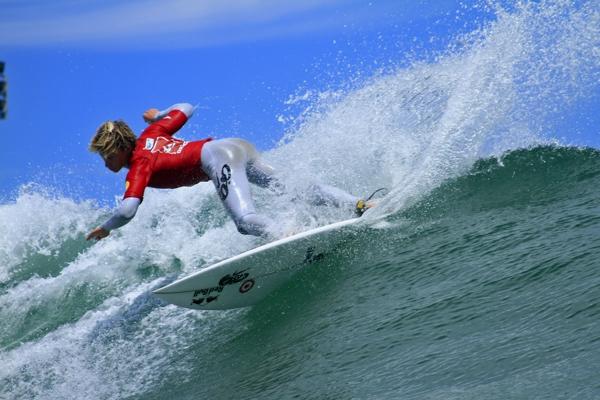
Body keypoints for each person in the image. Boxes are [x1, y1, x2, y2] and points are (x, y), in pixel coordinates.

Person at [86, 102, 372, 241]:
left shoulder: (139, 166)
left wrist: (106, 228)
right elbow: (186, 107)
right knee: (294, 190)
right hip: (232, 146)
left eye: (107, 155)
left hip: (217, 157)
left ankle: (294, 237)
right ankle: (360, 204)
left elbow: (127, 210)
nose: (106, 163)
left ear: (121, 148)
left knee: (245, 222)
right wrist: (159, 115)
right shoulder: (153, 132)